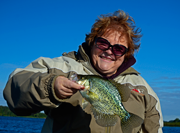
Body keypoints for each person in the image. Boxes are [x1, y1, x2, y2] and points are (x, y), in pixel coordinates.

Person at [3, 10, 163, 133]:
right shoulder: (63, 66)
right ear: (92, 42)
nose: (109, 51)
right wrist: (51, 86)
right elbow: (14, 89)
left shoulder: (144, 90)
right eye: (102, 43)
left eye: (119, 48)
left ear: (126, 54)